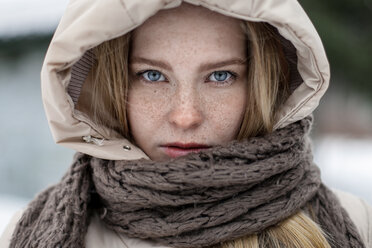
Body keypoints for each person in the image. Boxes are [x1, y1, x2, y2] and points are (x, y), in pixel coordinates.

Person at [1, 1, 371, 248]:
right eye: (152, 75)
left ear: (262, 82)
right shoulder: (25, 234)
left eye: (221, 76)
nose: (186, 116)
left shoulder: (356, 223)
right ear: (112, 82)